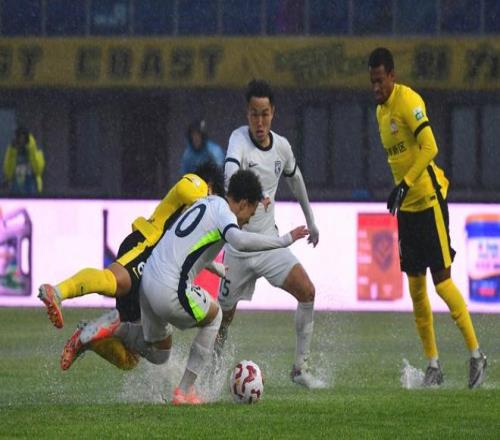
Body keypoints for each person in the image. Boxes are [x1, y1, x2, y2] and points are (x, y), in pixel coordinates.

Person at [119, 169, 307, 404]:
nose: (248, 221)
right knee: (215, 317)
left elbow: (185, 242)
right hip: (169, 287)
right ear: (243, 204)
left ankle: (113, 329)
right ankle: (185, 391)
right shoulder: (225, 214)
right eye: (251, 213)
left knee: (159, 352)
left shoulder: (207, 203)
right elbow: (239, 241)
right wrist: (284, 240)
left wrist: (212, 266)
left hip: (147, 282)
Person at [368, 47, 487, 388]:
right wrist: (401, 190)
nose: (376, 87)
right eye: (372, 81)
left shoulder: (409, 101)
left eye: (380, 80)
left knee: (442, 282)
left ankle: (476, 355)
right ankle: (433, 365)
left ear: (392, 75)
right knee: (417, 290)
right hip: (406, 210)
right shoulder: (380, 112)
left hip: (429, 200)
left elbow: (430, 147)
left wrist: (406, 183)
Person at [38, 162, 225, 371]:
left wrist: (209, 264)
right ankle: (57, 292)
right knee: (114, 281)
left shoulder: (198, 212)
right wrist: (206, 200)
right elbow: (184, 186)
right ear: (211, 186)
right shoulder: (198, 185)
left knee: (133, 357)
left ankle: (88, 337)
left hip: (155, 268)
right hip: (146, 246)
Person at [215, 79, 321, 389]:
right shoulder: (238, 139)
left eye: (264, 114)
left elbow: (296, 181)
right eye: (254, 114)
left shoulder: (282, 147)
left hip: (269, 245)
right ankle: (211, 369)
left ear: (273, 112)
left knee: (307, 292)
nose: (259, 122)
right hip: (237, 249)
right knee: (222, 319)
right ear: (246, 114)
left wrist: (311, 221)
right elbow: (230, 175)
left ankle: (300, 369)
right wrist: (251, 191)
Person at [3, 126, 45, 195]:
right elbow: (8, 173)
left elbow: (38, 170)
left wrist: (31, 149)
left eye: (23, 138)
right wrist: (13, 151)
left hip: (32, 190)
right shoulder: (12, 151)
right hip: (16, 191)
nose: (21, 141)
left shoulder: (35, 149)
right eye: (19, 138)